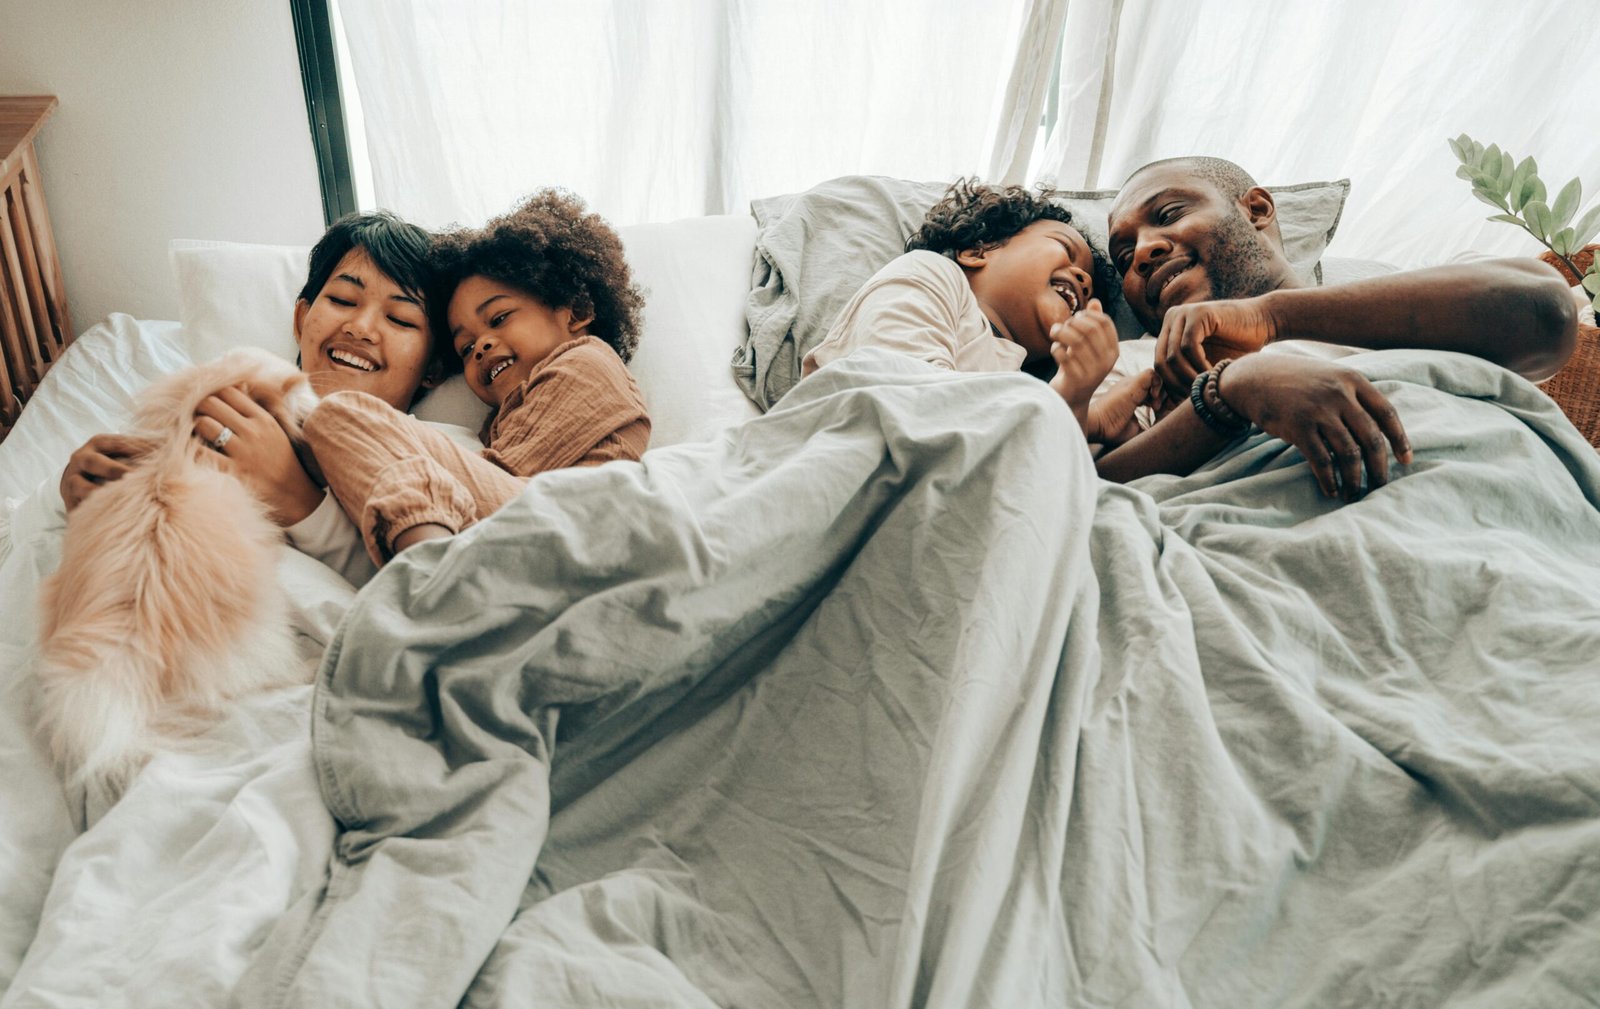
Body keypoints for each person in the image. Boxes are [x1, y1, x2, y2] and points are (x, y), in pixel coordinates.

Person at [1096, 156, 1579, 497]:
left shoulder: (1422, 293)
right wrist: (1227, 394)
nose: (1142, 252)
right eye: (1123, 257)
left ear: (1257, 210)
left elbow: (1546, 311)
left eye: (1169, 214)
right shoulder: (1126, 367)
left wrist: (1271, 316)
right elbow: (1080, 492)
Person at [60, 211, 455, 586]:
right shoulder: (220, 392)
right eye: (343, 301)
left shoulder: (444, 461)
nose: (361, 327)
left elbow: (427, 597)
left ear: (433, 368)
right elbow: (25, 541)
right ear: (301, 320)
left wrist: (297, 499)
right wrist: (67, 492)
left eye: (400, 319)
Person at [298, 188, 650, 565]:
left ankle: (436, 574)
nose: (481, 346)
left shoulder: (588, 365)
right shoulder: (502, 419)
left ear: (575, 312)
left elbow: (499, 480)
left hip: (565, 532)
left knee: (344, 417)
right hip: (533, 534)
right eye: (465, 348)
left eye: (498, 319)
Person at [802, 179, 1162, 446]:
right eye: (1064, 249)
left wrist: (1088, 417)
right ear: (978, 251)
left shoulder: (1018, 380)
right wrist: (1067, 400)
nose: (1084, 281)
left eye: (1090, 292)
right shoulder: (930, 274)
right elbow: (904, 402)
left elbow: (1002, 465)